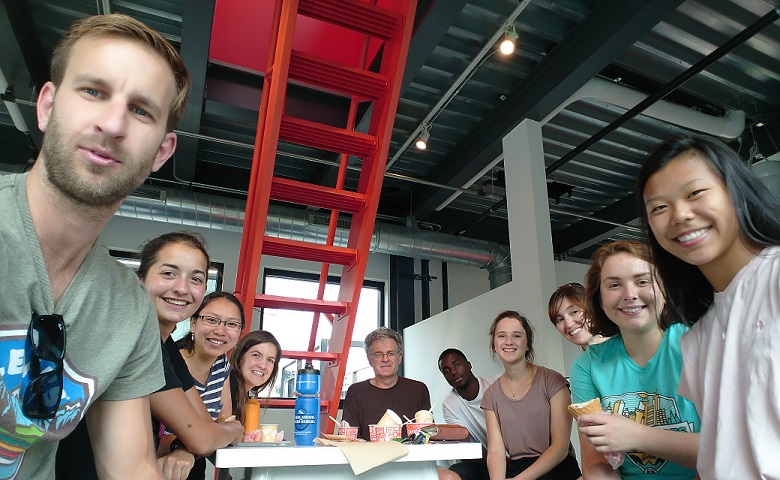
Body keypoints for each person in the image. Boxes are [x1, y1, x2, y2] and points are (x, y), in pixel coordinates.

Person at [0, 13, 190, 479]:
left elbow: (129, 469)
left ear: (161, 153)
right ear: (46, 106)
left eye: (142, 109)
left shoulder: (128, 308)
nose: (113, 122)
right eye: (93, 91)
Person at [638, 133, 780, 479]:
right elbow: (720, 453)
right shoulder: (697, 336)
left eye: (695, 193)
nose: (680, 215)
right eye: (659, 207)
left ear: (734, 190)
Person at [56, 233, 244, 480]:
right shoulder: (130, 339)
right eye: (168, 273)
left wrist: (195, 442)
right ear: (140, 279)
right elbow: (201, 437)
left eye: (196, 279)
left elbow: (203, 426)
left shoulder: (166, 348)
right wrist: (234, 427)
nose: (182, 288)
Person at [570, 240, 700, 479]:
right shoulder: (587, 366)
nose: (629, 295)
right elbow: (596, 463)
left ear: (664, 289)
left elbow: (727, 449)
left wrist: (638, 436)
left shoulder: (697, 343)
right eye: (614, 285)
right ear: (599, 298)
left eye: (642, 281)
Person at [481, 311, 580, 480]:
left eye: (517, 335)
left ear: (527, 344)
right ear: (494, 344)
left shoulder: (553, 381)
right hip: (516, 470)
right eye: (502, 336)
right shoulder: (491, 395)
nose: (509, 342)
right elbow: (496, 451)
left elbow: (560, 448)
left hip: (556, 468)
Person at [167, 291, 244, 480]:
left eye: (232, 324)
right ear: (193, 324)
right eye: (212, 320)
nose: (220, 330)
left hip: (192, 463)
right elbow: (152, 435)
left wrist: (225, 431)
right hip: (160, 465)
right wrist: (194, 443)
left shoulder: (221, 364)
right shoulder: (170, 363)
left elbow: (223, 424)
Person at [342, 327, 431, 441]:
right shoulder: (356, 392)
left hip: (410, 457)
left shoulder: (418, 390)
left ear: (399, 358)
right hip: (369, 457)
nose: (385, 359)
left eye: (390, 353)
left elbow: (428, 434)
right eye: (378, 354)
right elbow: (349, 439)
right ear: (369, 359)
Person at [438, 348, 498, 480]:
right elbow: (463, 449)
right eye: (446, 371)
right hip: (488, 460)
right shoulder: (450, 404)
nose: (453, 372)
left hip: (520, 455)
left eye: (457, 365)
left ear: (469, 364)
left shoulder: (495, 385)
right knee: (458, 471)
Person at [228, 330, 282, 425]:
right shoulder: (228, 386)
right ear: (240, 357)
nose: (263, 365)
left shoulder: (242, 394)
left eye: (270, 360)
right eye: (256, 355)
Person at [548, 282, 607, 349]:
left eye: (574, 312)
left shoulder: (619, 346)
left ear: (593, 309)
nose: (569, 324)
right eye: (560, 320)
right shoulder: (582, 359)